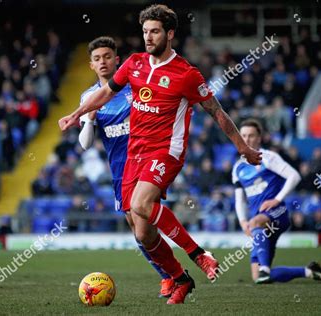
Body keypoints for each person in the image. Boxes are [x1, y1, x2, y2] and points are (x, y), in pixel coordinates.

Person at [59, 4, 261, 304]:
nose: (148, 37)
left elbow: (216, 112)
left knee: (142, 204)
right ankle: (180, 278)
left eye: (154, 31)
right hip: (134, 154)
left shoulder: (187, 74)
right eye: (145, 32)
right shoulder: (134, 63)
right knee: (143, 234)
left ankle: (200, 255)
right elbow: (105, 93)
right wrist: (77, 113)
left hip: (166, 150)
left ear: (170, 34)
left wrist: (242, 147)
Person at [77, 36, 174, 297]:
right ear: (91, 65)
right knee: (137, 229)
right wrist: (88, 120)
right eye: (97, 59)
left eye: (107, 56)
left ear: (117, 60)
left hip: (147, 159)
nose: (103, 62)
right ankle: (169, 273)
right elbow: (85, 145)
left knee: (142, 221)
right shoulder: (89, 97)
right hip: (120, 169)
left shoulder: (134, 85)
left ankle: (172, 275)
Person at [232, 119, 321, 284]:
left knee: (257, 224)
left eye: (251, 135)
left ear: (259, 138)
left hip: (277, 213)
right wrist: (243, 221)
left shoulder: (268, 157)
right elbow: (239, 199)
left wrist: (276, 199)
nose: (247, 139)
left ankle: (265, 268)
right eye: (243, 136)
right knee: (257, 278)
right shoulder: (238, 168)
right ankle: (309, 271)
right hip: (257, 221)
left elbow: (294, 176)